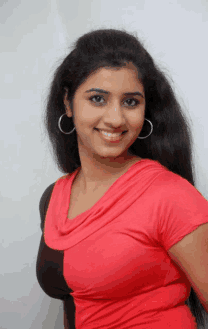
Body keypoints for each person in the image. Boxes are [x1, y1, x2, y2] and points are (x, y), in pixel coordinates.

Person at [36, 28, 208, 328]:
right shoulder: (53, 198)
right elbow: (76, 305)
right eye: (98, 99)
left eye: (130, 102)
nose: (115, 119)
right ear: (68, 103)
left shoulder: (170, 196)